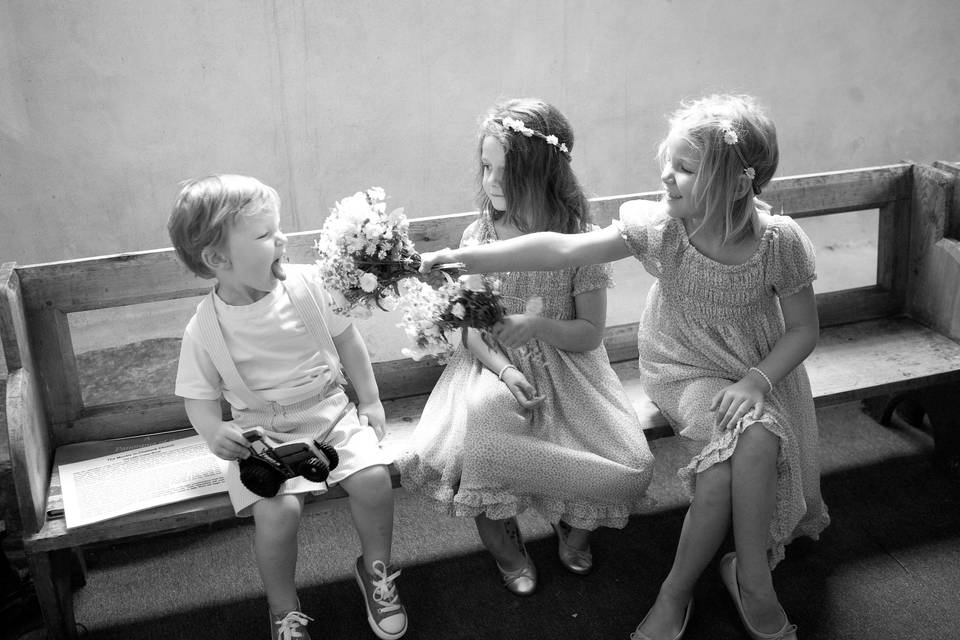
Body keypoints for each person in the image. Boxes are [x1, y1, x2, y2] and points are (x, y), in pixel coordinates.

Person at [419, 94, 829, 640]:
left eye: (685, 168)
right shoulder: (662, 226)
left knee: (751, 443)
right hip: (683, 364)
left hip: (755, 368)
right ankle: (691, 588)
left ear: (736, 184)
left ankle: (742, 576)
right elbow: (562, 250)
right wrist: (468, 259)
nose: (666, 174)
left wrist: (758, 380)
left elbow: (804, 329)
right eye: (669, 160)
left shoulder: (780, 243)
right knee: (744, 445)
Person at [399, 98, 655, 597]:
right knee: (482, 436)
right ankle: (504, 542)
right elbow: (472, 331)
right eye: (486, 166)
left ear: (539, 173)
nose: (491, 181)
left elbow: (588, 332)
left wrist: (537, 327)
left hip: (571, 365)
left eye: (505, 170)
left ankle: (571, 521)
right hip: (491, 365)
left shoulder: (581, 239)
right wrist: (504, 371)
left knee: (632, 464)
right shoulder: (482, 236)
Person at [168, 175, 407, 640]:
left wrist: (372, 399)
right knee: (278, 513)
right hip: (262, 432)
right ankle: (283, 608)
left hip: (330, 411)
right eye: (263, 235)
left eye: (277, 228)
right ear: (218, 259)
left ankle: (376, 572)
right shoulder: (206, 328)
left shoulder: (309, 287)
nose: (281, 240)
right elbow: (196, 395)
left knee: (375, 481)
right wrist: (213, 432)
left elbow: (348, 341)